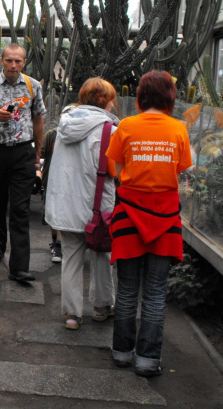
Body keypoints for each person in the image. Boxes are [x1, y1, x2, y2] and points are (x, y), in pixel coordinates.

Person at [106, 70, 192, 377]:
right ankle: (148, 360)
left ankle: (121, 352)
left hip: (129, 213)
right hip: (167, 219)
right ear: (170, 95)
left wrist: (129, 178)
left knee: (127, 290)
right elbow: (181, 169)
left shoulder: (126, 126)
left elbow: (112, 164)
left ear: (140, 95)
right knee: (155, 293)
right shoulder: (178, 129)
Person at [45, 78, 118, 330]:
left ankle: (72, 315)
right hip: (98, 207)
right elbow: (114, 172)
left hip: (66, 204)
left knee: (71, 259)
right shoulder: (110, 130)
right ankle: (101, 307)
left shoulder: (66, 124)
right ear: (107, 100)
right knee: (102, 256)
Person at [0, 43, 45, 283]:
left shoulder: (33, 87)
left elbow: (38, 119)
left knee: (21, 209)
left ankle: (20, 267)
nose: (13, 65)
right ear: (2, 61)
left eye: (18, 61)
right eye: (9, 60)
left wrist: (38, 151)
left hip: (23, 152)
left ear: (24, 63)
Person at [41, 104, 77, 263]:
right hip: (51, 179)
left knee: (63, 213)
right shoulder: (51, 135)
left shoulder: (79, 136)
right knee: (52, 212)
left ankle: (59, 247)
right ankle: (55, 241)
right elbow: (41, 153)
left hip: (69, 182)